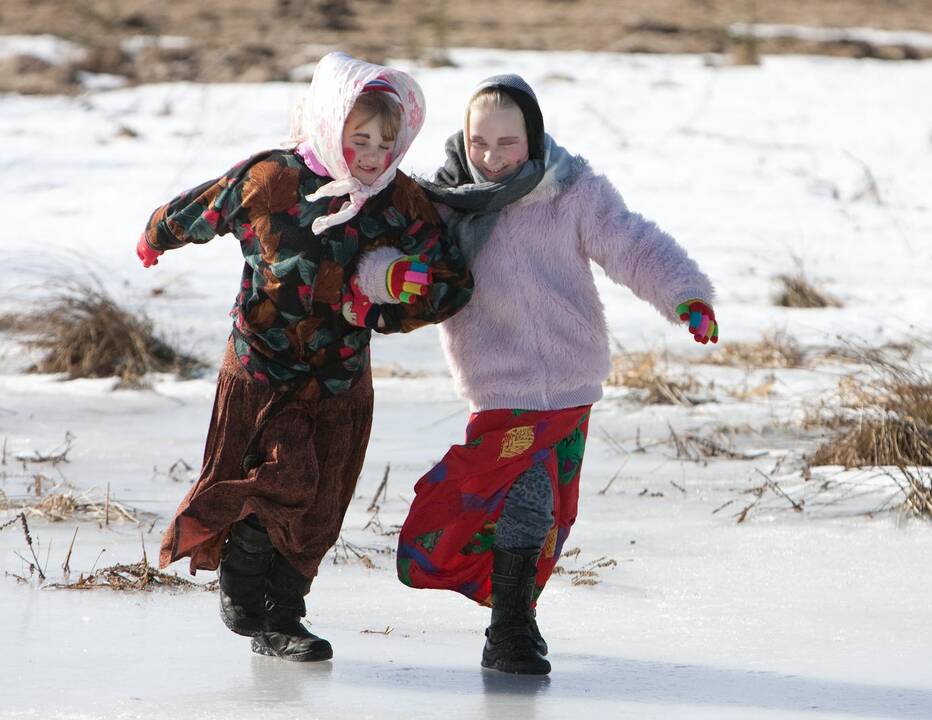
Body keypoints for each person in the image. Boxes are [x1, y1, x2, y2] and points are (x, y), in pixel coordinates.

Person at [138, 52, 472, 662]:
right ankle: (243, 569)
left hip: (339, 380)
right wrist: (158, 233)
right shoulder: (275, 179)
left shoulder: (399, 201)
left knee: (321, 505)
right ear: (329, 123)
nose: (372, 154)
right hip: (263, 368)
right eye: (360, 138)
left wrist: (385, 305)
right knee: (284, 475)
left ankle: (284, 617)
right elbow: (208, 206)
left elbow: (452, 283)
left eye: (385, 142)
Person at [377, 74, 716, 675]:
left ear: (532, 136)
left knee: (553, 510)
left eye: (508, 142)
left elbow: (632, 243)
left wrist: (687, 295)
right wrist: (387, 280)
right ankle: (509, 628)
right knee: (524, 498)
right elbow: (382, 249)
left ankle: (514, 618)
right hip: (498, 386)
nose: (492, 156)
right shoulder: (443, 203)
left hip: (569, 380)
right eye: (480, 142)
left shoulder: (571, 191)